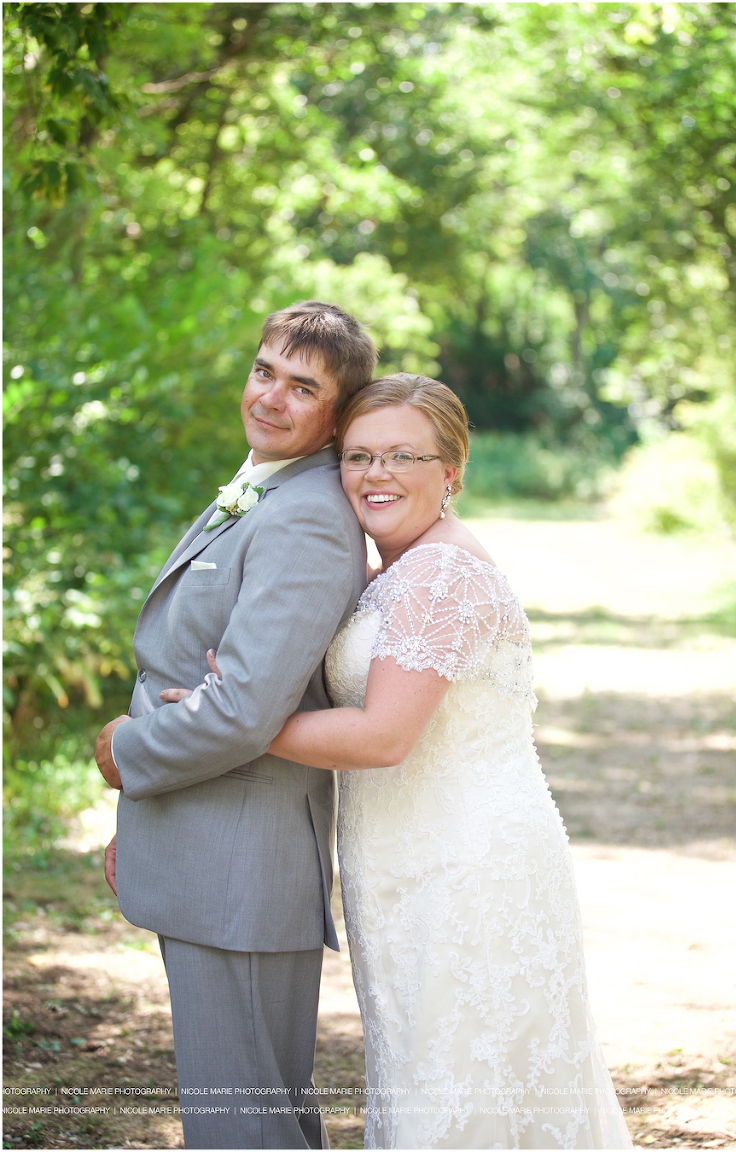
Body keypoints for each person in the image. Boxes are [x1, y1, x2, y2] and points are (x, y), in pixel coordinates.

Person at [167, 373, 633, 1150]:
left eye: (401, 456)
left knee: (462, 1077)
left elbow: (383, 737)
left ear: (451, 472)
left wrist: (232, 718)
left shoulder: (441, 576)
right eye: (358, 456)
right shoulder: (398, 570)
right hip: (408, 859)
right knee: (432, 1067)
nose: (375, 474)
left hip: (463, 865)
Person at [94, 300, 377, 1150]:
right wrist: (144, 818)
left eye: (303, 387)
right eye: (265, 372)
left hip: (241, 868)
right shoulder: (264, 485)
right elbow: (188, 669)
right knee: (252, 1117)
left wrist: (126, 755)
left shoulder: (307, 517)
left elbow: (245, 709)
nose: (271, 397)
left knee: (242, 1129)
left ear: (338, 415)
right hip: (204, 844)